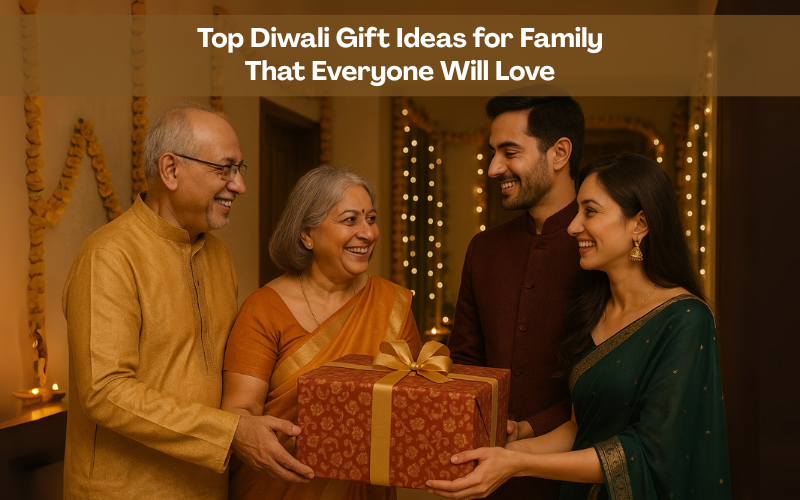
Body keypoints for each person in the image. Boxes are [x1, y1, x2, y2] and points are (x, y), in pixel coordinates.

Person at [426, 153, 732, 499]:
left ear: (640, 224)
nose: (573, 226)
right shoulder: (590, 311)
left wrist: (519, 465)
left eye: (591, 211)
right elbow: (580, 427)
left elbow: (651, 451)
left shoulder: (685, 321)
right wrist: (507, 454)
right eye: (577, 212)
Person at [62, 102, 313, 499]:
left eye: (239, 170)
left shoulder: (218, 257)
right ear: (171, 170)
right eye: (224, 168)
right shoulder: (109, 255)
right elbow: (105, 391)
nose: (239, 185)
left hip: (208, 486)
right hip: (126, 490)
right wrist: (230, 433)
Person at [222, 166, 423, 500]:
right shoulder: (265, 308)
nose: (368, 233)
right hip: (279, 486)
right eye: (350, 220)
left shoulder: (393, 305)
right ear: (307, 235)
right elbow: (238, 416)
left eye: (370, 219)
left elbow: (412, 408)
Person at [447, 96, 586, 499]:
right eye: (493, 153)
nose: (493, 168)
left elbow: (610, 382)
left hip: (574, 476)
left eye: (509, 152)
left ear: (559, 153)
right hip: (485, 477)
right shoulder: (484, 249)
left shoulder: (601, 249)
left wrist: (529, 431)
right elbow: (464, 363)